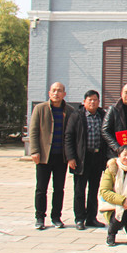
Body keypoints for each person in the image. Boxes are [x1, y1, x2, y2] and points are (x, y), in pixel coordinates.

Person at [29, 82, 75, 230]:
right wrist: (34, 151)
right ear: (49, 93)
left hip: (61, 157)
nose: (56, 93)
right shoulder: (40, 109)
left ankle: (56, 217)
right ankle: (39, 217)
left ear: (64, 94)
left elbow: (72, 135)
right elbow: (33, 131)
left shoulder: (69, 111)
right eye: (54, 90)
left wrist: (71, 156)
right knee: (41, 188)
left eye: (59, 91)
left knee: (59, 189)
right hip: (44, 156)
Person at [64, 89, 107, 230]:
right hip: (81, 158)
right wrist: (70, 157)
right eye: (90, 100)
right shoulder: (77, 116)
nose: (92, 102)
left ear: (99, 101)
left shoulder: (103, 115)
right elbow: (68, 137)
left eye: (95, 100)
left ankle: (91, 218)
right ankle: (79, 218)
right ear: (84, 102)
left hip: (97, 157)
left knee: (94, 190)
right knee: (79, 190)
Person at [101, 83, 127, 157]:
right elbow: (105, 131)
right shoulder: (113, 109)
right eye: (126, 92)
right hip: (117, 152)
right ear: (121, 93)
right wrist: (117, 148)